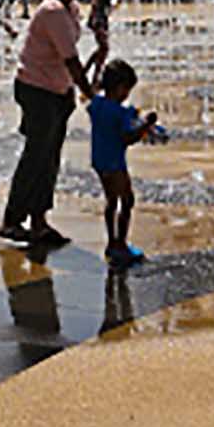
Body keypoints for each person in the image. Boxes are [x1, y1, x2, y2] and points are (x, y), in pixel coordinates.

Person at [0, 0, 98, 251]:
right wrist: (91, 95)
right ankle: (12, 220)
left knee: (49, 158)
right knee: (36, 156)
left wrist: (70, 90)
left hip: (55, 91)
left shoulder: (70, 9)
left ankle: (39, 222)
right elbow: (71, 59)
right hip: (36, 89)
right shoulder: (53, 12)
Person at [87, 57, 159, 268]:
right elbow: (127, 138)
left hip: (99, 161)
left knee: (111, 201)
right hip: (115, 162)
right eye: (127, 90)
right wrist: (146, 125)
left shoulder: (97, 105)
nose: (127, 95)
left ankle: (112, 242)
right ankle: (121, 245)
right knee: (127, 200)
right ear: (120, 88)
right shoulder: (120, 112)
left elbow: (94, 104)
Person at [86, 0, 116, 82]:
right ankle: (94, 77)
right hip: (98, 19)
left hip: (103, 18)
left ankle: (87, 72)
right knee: (104, 47)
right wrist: (93, 19)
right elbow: (95, 2)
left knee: (102, 48)